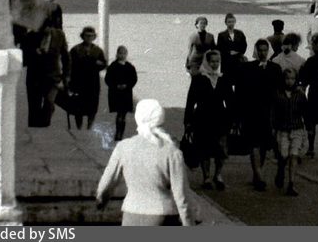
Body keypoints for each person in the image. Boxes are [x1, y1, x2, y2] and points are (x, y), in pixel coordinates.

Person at [96, 99, 195, 226]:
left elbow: (107, 182)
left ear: (138, 117)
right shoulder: (171, 151)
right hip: (162, 215)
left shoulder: (123, 147)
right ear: (161, 118)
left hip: (131, 214)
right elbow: (182, 196)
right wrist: (189, 223)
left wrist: (101, 202)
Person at [184, 49, 233, 190]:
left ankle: (218, 175)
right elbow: (190, 101)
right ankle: (206, 177)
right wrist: (187, 121)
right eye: (212, 61)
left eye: (217, 61)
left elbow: (230, 100)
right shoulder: (198, 79)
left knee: (221, 149)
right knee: (204, 148)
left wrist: (232, 119)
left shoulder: (223, 78)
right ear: (206, 62)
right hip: (202, 117)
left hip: (220, 118)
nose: (214, 64)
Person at [237, 39, 283, 191]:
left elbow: (278, 90)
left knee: (264, 145)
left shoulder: (275, 68)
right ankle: (258, 174)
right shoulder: (247, 67)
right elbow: (241, 90)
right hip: (252, 111)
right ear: (256, 51)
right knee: (254, 143)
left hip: (268, 112)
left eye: (265, 50)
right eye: (260, 50)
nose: (263, 53)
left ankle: (258, 173)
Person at [24, 11, 69, 128]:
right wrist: (34, 52)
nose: (44, 31)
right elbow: (23, 58)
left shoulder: (59, 35)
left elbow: (66, 56)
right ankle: (35, 128)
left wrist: (66, 75)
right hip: (35, 76)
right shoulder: (30, 36)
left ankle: (44, 125)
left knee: (49, 103)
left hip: (53, 75)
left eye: (47, 28)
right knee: (34, 104)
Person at [271, 67, 308, 196]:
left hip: (296, 127)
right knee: (283, 154)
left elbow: (305, 111)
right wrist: (273, 127)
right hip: (282, 129)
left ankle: (291, 183)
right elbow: (274, 112)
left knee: (294, 155)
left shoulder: (300, 95)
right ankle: (281, 169)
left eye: (292, 79)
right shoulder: (278, 94)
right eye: (287, 78)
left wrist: (308, 128)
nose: (290, 81)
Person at [69, 26, 108, 130]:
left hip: (93, 82)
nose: (89, 38)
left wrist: (98, 63)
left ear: (94, 37)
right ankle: (79, 127)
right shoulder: (75, 50)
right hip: (79, 82)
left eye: (91, 36)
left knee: (92, 106)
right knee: (78, 107)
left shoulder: (97, 50)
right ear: (83, 36)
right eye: (87, 36)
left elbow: (103, 64)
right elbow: (68, 65)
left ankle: (89, 126)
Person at [105, 45, 138, 141]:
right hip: (116, 94)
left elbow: (134, 79)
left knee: (122, 114)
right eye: (120, 53)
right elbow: (108, 79)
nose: (122, 55)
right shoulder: (113, 66)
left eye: (124, 53)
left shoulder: (130, 67)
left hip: (126, 94)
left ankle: (120, 133)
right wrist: (116, 86)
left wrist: (127, 85)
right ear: (117, 54)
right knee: (120, 114)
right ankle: (119, 133)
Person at [216, 13, 248, 78]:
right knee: (226, 81)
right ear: (226, 23)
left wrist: (238, 52)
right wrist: (228, 53)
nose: (231, 24)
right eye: (229, 22)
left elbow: (244, 45)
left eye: (232, 22)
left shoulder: (240, 33)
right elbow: (219, 48)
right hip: (226, 62)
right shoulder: (222, 35)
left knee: (239, 80)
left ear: (235, 22)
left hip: (238, 60)